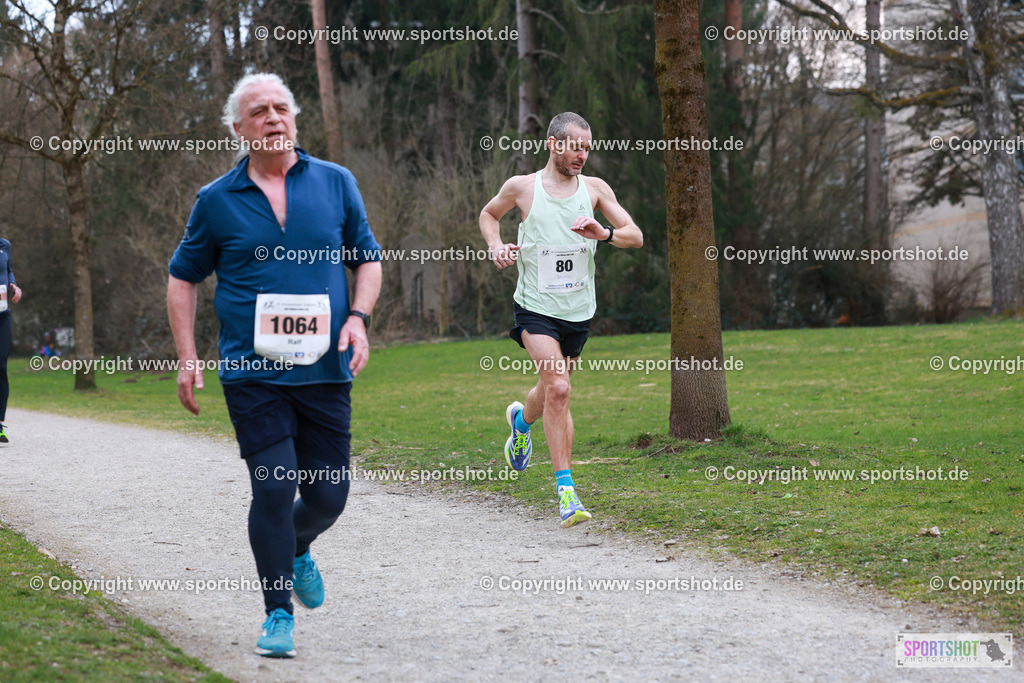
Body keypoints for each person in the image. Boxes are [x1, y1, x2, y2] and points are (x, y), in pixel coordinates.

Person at [167, 73, 382, 658]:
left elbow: (368, 260)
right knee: (273, 487)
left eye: (281, 107)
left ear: (295, 117)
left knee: (328, 497)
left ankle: (297, 544)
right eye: (259, 111)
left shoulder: (337, 184)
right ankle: (277, 613)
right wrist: (188, 357)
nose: (273, 117)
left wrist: (358, 317)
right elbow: (183, 276)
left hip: (325, 370)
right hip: (252, 372)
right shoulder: (216, 200)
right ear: (239, 128)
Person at [479, 112, 643, 528]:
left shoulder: (594, 190)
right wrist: (496, 246)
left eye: (587, 147)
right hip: (535, 306)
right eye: (575, 146)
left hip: (577, 311)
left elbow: (635, 236)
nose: (582, 155)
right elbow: (488, 215)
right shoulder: (522, 188)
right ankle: (566, 492)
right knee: (560, 386)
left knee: (550, 390)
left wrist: (603, 233)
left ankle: (520, 422)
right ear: (553, 144)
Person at [0, 238, 22, 443]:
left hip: (2, 316)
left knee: (1, 367)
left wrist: (14, 285)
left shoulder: (4, 245)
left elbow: (8, 269)